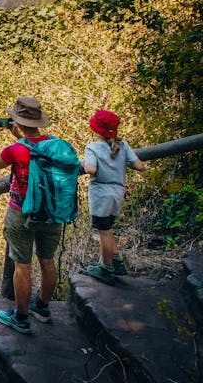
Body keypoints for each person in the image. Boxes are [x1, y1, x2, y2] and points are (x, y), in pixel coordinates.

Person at [0, 96, 64, 334]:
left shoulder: (15, 151)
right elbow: (35, 150)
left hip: (22, 213)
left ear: (17, 121)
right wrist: (19, 136)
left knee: (23, 265)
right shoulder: (55, 144)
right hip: (51, 211)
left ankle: (20, 317)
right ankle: (42, 307)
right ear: (39, 122)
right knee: (47, 260)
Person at [82, 110, 146, 285]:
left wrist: (83, 163)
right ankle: (116, 260)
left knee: (103, 231)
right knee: (108, 226)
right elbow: (139, 166)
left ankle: (106, 267)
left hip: (101, 195)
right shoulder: (123, 145)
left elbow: (91, 170)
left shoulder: (93, 148)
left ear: (97, 130)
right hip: (117, 193)